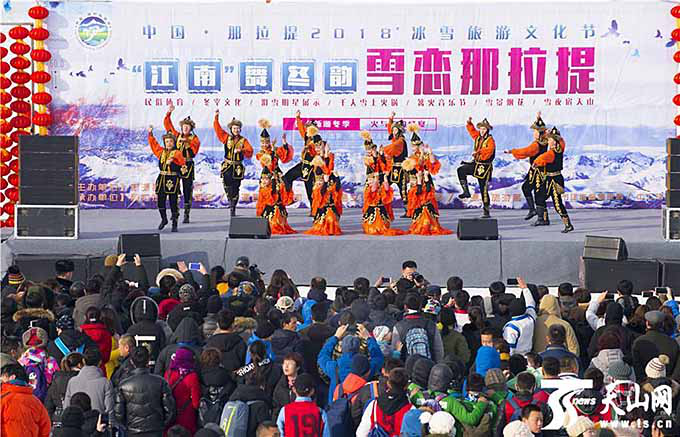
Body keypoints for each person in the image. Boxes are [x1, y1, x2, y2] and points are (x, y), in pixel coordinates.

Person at [114, 347, 176, 436]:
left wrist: (129, 427)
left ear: (132, 362)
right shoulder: (160, 382)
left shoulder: (124, 385)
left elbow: (119, 414)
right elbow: (170, 410)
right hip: (155, 430)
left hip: (134, 430)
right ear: (148, 361)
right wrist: (161, 425)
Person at [403, 126, 452, 235]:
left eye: (415, 146)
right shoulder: (411, 158)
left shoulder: (426, 156)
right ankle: (419, 224)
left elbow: (433, 164)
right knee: (418, 203)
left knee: (427, 202)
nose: (413, 148)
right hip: (416, 183)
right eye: (412, 146)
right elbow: (413, 168)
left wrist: (430, 153)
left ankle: (430, 224)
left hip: (426, 182)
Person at [318, 324, 384, 404]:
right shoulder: (365, 366)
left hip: (337, 405)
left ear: (342, 348)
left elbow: (322, 356)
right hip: (359, 403)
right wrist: (368, 338)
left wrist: (335, 337)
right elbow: (378, 358)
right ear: (358, 348)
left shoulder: (334, 366)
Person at [505, 113, 549, 221]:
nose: (534, 133)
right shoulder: (544, 142)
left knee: (537, 193)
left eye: (536, 131)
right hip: (538, 170)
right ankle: (535, 212)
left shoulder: (536, 145)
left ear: (540, 133)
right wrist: (538, 118)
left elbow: (525, 152)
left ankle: (541, 218)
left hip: (538, 172)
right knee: (527, 188)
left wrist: (512, 151)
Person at [256, 121, 296, 234]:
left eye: (266, 142)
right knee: (266, 196)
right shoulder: (260, 153)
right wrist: (272, 151)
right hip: (267, 176)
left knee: (280, 193)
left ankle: (279, 221)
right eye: (263, 142)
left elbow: (284, 156)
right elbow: (267, 164)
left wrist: (284, 143)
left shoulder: (275, 149)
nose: (265, 144)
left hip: (277, 175)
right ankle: (267, 220)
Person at [532, 126, 574, 233]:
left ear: (555, 142)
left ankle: (568, 224)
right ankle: (544, 218)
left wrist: (536, 163)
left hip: (555, 181)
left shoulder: (552, 153)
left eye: (550, 140)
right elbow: (561, 143)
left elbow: (541, 158)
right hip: (549, 179)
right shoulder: (559, 149)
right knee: (539, 196)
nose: (548, 141)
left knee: (557, 203)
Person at [164, 104, 200, 223]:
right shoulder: (177, 136)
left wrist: (187, 142)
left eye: (187, 126)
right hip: (176, 164)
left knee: (187, 189)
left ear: (191, 128)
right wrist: (169, 113)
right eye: (184, 126)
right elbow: (168, 125)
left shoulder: (194, 139)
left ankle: (186, 213)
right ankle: (175, 211)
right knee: (174, 187)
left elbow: (194, 152)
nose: (185, 128)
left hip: (187, 165)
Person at [214, 109, 254, 216]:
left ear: (240, 129)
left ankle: (233, 207)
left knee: (236, 187)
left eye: (238, 128)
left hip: (237, 167)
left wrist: (242, 150)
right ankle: (230, 200)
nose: (236, 130)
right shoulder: (226, 138)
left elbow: (250, 151)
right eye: (234, 128)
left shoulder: (243, 140)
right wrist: (216, 117)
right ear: (231, 129)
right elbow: (218, 129)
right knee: (227, 184)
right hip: (227, 165)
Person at [148, 126, 186, 232]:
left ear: (174, 142)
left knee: (173, 202)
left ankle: (174, 223)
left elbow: (183, 168)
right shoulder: (161, 152)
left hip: (173, 179)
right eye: (167, 141)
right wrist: (150, 134)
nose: (168, 143)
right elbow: (154, 144)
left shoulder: (178, 153)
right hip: (162, 178)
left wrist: (173, 162)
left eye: (170, 141)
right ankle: (164, 219)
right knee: (160, 201)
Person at [356, 368, 413, 437]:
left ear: (388, 384)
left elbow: (361, 433)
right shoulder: (410, 409)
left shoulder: (374, 404)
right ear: (406, 386)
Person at [458, 117, 496, 218]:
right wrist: (469, 123)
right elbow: (472, 132)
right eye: (481, 129)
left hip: (485, 167)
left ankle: (486, 211)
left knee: (484, 189)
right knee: (461, 170)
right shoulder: (478, 137)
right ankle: (466, 192)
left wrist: (478, 152)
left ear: (487, 130)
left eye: (484, 129)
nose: (482, 131)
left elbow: (490, 150)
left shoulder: (490, 140)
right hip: (476, 163)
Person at [0, 363, 51, 437]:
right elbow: (45, 428)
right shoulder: (36, 402)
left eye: (3, 377)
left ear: (12, 377)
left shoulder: (3, 398)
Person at [282, 110, 320, 208]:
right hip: (303, 165)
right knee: (287, 177)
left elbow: (318, 154)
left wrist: (310, 149)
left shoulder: (317, 140)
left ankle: (315, 209)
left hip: (311, 167)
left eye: (309, 129)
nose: (307, 130)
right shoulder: (307, 138)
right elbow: (301, 129)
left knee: (309, 189)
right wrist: (298, 118)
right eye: (307, 129)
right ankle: (289, 198)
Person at [392, 293, 445, 363]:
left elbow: (395, 349)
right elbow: (438, 350)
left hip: (407, 365)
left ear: (405, 307)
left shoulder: (399, 326)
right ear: (420, 306)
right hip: (428, 364)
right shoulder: (431, 324)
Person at [304, 141, 343, 236]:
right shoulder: (316, 160)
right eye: (317, 147)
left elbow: (330, 169)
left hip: (327, 182)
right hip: (319, 185)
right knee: (319, 203)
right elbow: (320, 171)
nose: (318, 149)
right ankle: (319, 220)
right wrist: (324, 155)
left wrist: (326, 155)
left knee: (332, 199)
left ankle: (331, 223)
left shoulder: (329, 157)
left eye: (320, 147)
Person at [64, 347, 114, 416]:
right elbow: (109, 410)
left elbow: (66, 408)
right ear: (100, 362)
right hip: (97, 421)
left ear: (83, 361)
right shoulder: (105, 383)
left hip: (77, 421)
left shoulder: (72, 382)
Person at [632, 310, 680, 381]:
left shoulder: (638, 342)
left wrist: (644, 382)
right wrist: (670, 382)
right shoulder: (672, 342)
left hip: (645, 383)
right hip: (667, 383)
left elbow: (637, 368)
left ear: (647, 323)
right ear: (662, 324)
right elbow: (677, 368)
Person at [164, 347, 201, 435]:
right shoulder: (192, 376)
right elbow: (196, 403)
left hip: (170, 414)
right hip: (185, 416)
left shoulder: (168, 373)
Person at [382, 112, 409, 217]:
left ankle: (408, 211)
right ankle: (382, 207)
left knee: (403, 190)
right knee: (385, 185)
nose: (393, 132)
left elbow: (393, 148)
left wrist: (383, 150)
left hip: (401, 169)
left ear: (399, 131)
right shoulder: (395, 139)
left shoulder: (400, 141)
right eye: (393, 130)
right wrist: (391, 118)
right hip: (393, 168)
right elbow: (390, 129)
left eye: (395, 130)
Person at [362, 171, 405, 236]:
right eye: (369, 180)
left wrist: (385, 178)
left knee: (383, 224)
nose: (370, 181)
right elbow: (373, 189)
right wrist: (376, 179)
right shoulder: (368, 189)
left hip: (381, 208)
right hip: (372, 209)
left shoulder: (381, 188)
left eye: (371, 179)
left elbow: (387, 189)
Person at [502, 278, 537, 355]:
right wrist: (525, 288)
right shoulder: (530, 318)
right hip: (529, 355)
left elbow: (510, 348)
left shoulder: (511, 327)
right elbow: (531, 303)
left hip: (516, 357)